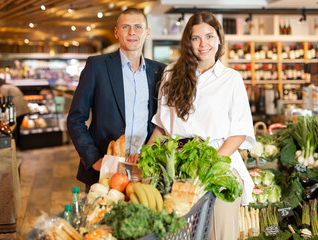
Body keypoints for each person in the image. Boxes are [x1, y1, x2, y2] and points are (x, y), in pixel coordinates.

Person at [147, 12, 255, 240]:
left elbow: (239, 132)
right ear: (188, 42)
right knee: (179, 235)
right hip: (177, 168)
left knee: (220, 235)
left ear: (218, 39)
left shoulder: (231, 79)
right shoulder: (170, 74)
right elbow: (162, 127)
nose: (203, 44)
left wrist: (209, 166)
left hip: (220, 167)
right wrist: (145, 158)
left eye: (209, 36)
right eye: (196, 38)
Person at [67, 8, 166, 193]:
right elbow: (75, 119)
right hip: (106, 168)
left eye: (138, 27)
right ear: (116, 32)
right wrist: (94, 159)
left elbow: (164, 121)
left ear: (147, 32)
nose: (132, 32)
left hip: (145, 169)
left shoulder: (160, 71)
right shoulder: (97, 66)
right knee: (102, 219)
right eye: (126, 27)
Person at [0, 80, 30, 149]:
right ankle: (19, 145)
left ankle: (16, 145)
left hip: (17, 109)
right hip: (23, 108)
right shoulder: (11, 86)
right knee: (17, 128)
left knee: (14, 129)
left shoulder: (3, 87)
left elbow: (3, 98)